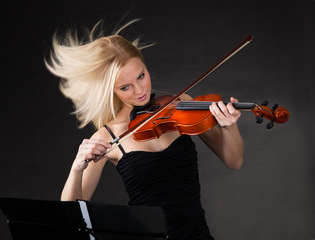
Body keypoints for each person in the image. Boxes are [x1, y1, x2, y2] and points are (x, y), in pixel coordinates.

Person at [45, 20, 244, 240]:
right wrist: (77, 167)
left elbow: (234, 161)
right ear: (110, 89)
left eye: (141, 75)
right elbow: (69, 215)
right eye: (125, 87)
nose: (140, 91)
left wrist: (229, 126)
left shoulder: (179, 106)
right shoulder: (107, 137)